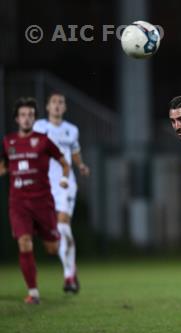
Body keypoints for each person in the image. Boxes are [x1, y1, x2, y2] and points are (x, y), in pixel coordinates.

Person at [0, 97, 70, 304]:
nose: (26, 118)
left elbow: (64, 163)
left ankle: (54, 237)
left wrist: (65, 178)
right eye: (23, 115)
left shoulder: (43, 140)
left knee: (52, 248)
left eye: (30, 114)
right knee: (24, 243)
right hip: (19, 203)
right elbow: (4, 165)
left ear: (34, 118)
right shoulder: (8, 142)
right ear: (16, 119)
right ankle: (33, 292)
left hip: (43, 203)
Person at [33, 92, 90, 293]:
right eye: (54, 102)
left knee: (63, 226)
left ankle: (68, 277)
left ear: (64, 108)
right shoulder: (39, 127)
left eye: (61, 103)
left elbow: (74, 153)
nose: (57, 105)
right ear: (48, 107)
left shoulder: (71, 130)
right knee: (53, 237)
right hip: (43, 186)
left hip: (65, 184)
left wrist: (81, 165)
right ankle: (70, 268)